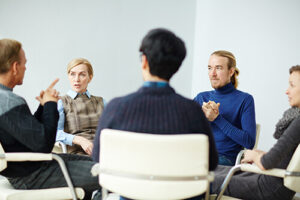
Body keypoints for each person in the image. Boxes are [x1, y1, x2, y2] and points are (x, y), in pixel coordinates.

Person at [92, 28, 218, 172]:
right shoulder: (193, 111)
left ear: (144, 61)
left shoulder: (115, 107)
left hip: (130, 193)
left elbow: (97, 156)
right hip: (179, 193)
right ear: (176, 67)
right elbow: (211, 162)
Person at [0, 39, 100, 200]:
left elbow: (28, 135)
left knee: (99, 163)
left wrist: (43, 107)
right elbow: (44, 144)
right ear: (14, 67)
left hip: (29, 169)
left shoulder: (4, 99)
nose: (25, 67)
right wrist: (50, 105)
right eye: (24, 63)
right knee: (110, 175)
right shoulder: (8, 101)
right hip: (33, 175)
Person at [211, 65, 300, 200]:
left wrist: (253, 155)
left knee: (203, 179)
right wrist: (261, 154)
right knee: (211, 171)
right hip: (271, 180)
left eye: (292, 85)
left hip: (268, 187)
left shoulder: (298, 123)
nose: (287, 91)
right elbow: (284, 159)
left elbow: (267, 163)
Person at [194, 50, 256, 166]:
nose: (212, 74)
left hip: (225, 159)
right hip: (198, 155)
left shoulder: (245, 100)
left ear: (231, 71)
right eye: (209, 68)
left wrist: (217, 118)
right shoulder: (201, 98)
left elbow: (249, 142)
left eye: (218, 68)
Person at [56, 58, 104, 155]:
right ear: (68, 76)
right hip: (78, 155)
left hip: (104, 153)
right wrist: (80, 140)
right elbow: (55, 133)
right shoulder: (61, 102)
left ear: (90, 78)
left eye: (82, 74)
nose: (76, 79)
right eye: (72, 74)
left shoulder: (101, 102)